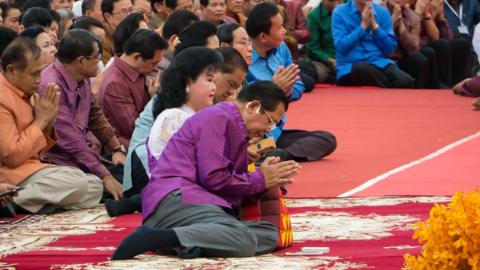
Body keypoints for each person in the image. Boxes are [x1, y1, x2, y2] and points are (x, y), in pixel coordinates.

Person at [111, 81, 300, 260]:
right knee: (244, 239)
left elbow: (230, 191)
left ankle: (188, 243)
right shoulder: (218, 118)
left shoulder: (236, 128)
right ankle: (155, 238)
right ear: (253, 107)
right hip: (178, 198)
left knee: (268, 232)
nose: (268, 130)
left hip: (201, 205)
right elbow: (214, 180)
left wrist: (265, 180)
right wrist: (260, 179)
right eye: (269, 121)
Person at [108, 47, 247, 216]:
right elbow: (203, 172)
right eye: (209, 80)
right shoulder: (175, 118)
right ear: (188, 83)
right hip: (173, 197)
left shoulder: (193, 114)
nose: (214, 87)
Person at [0, 37, 103, 215]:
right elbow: (12, 156)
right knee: (76, 182)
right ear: (11, 71)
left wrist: (49, 121)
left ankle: (24, 202)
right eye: (34, 74)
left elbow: (40, 151)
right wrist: (41, 121)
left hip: (35, 169)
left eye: (41, 73)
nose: (39, 80)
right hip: (12, 173)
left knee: (95, 185)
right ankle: (10, 200)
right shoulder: (3, 99)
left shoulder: (28, 92)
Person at [40, 29, 125, 201]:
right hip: (57, 162)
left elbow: (94, 115)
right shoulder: (51, 85)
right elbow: (71, 141)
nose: (99, 62)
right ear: (81, 61)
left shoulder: (83, 77)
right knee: (91, 185)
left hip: (83, 159)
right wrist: (105, 176)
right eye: (97, 57)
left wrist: (117, 148)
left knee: (130, 175)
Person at [247, 3, 336, 162]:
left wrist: (285, 91)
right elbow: (242, 102)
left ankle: (279, 155)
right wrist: (273, 90)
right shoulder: (243, 59)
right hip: (253, 132)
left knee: (327, 139)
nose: (285, 31)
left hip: (276, 131)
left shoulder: (281, 48)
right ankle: (263, 154)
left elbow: (299, 85)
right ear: (263, 37)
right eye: (280, 27)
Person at [98, 29, 168, 149]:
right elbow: (135, 129)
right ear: (136, 57)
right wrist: (154, 101)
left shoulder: (139, 70)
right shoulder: (115, 83)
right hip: (130, 147)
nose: (155, 68)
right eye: (153, 63)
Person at [332, 0, 415, 88]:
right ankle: (389, 92)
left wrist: (375, 27)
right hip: (349, 67)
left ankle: (388, 91)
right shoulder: (340, 12)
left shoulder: (382, 13)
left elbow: (389, 50)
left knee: (405, 81)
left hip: (379, 63)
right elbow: (341, 47)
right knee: (363, 68)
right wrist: (362, 26)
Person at [305, 0, 340, 83]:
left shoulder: (346, 11)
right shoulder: (314, 16)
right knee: (320, 73)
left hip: (345, 57)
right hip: (323, 60)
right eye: (331, 1)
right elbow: (313, 48)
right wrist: (330, 60)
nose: (335, 3)